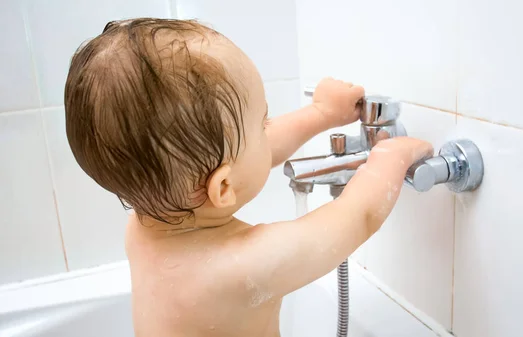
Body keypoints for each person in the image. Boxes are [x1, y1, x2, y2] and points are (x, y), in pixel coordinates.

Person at [64, 18, 433, 337]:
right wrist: (388, 157)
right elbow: (356, 218)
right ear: (223, 188)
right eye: (262, 123)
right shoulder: (242, 266)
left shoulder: (143, 227)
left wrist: (321, 113)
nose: (268, 132)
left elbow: (249, 155)